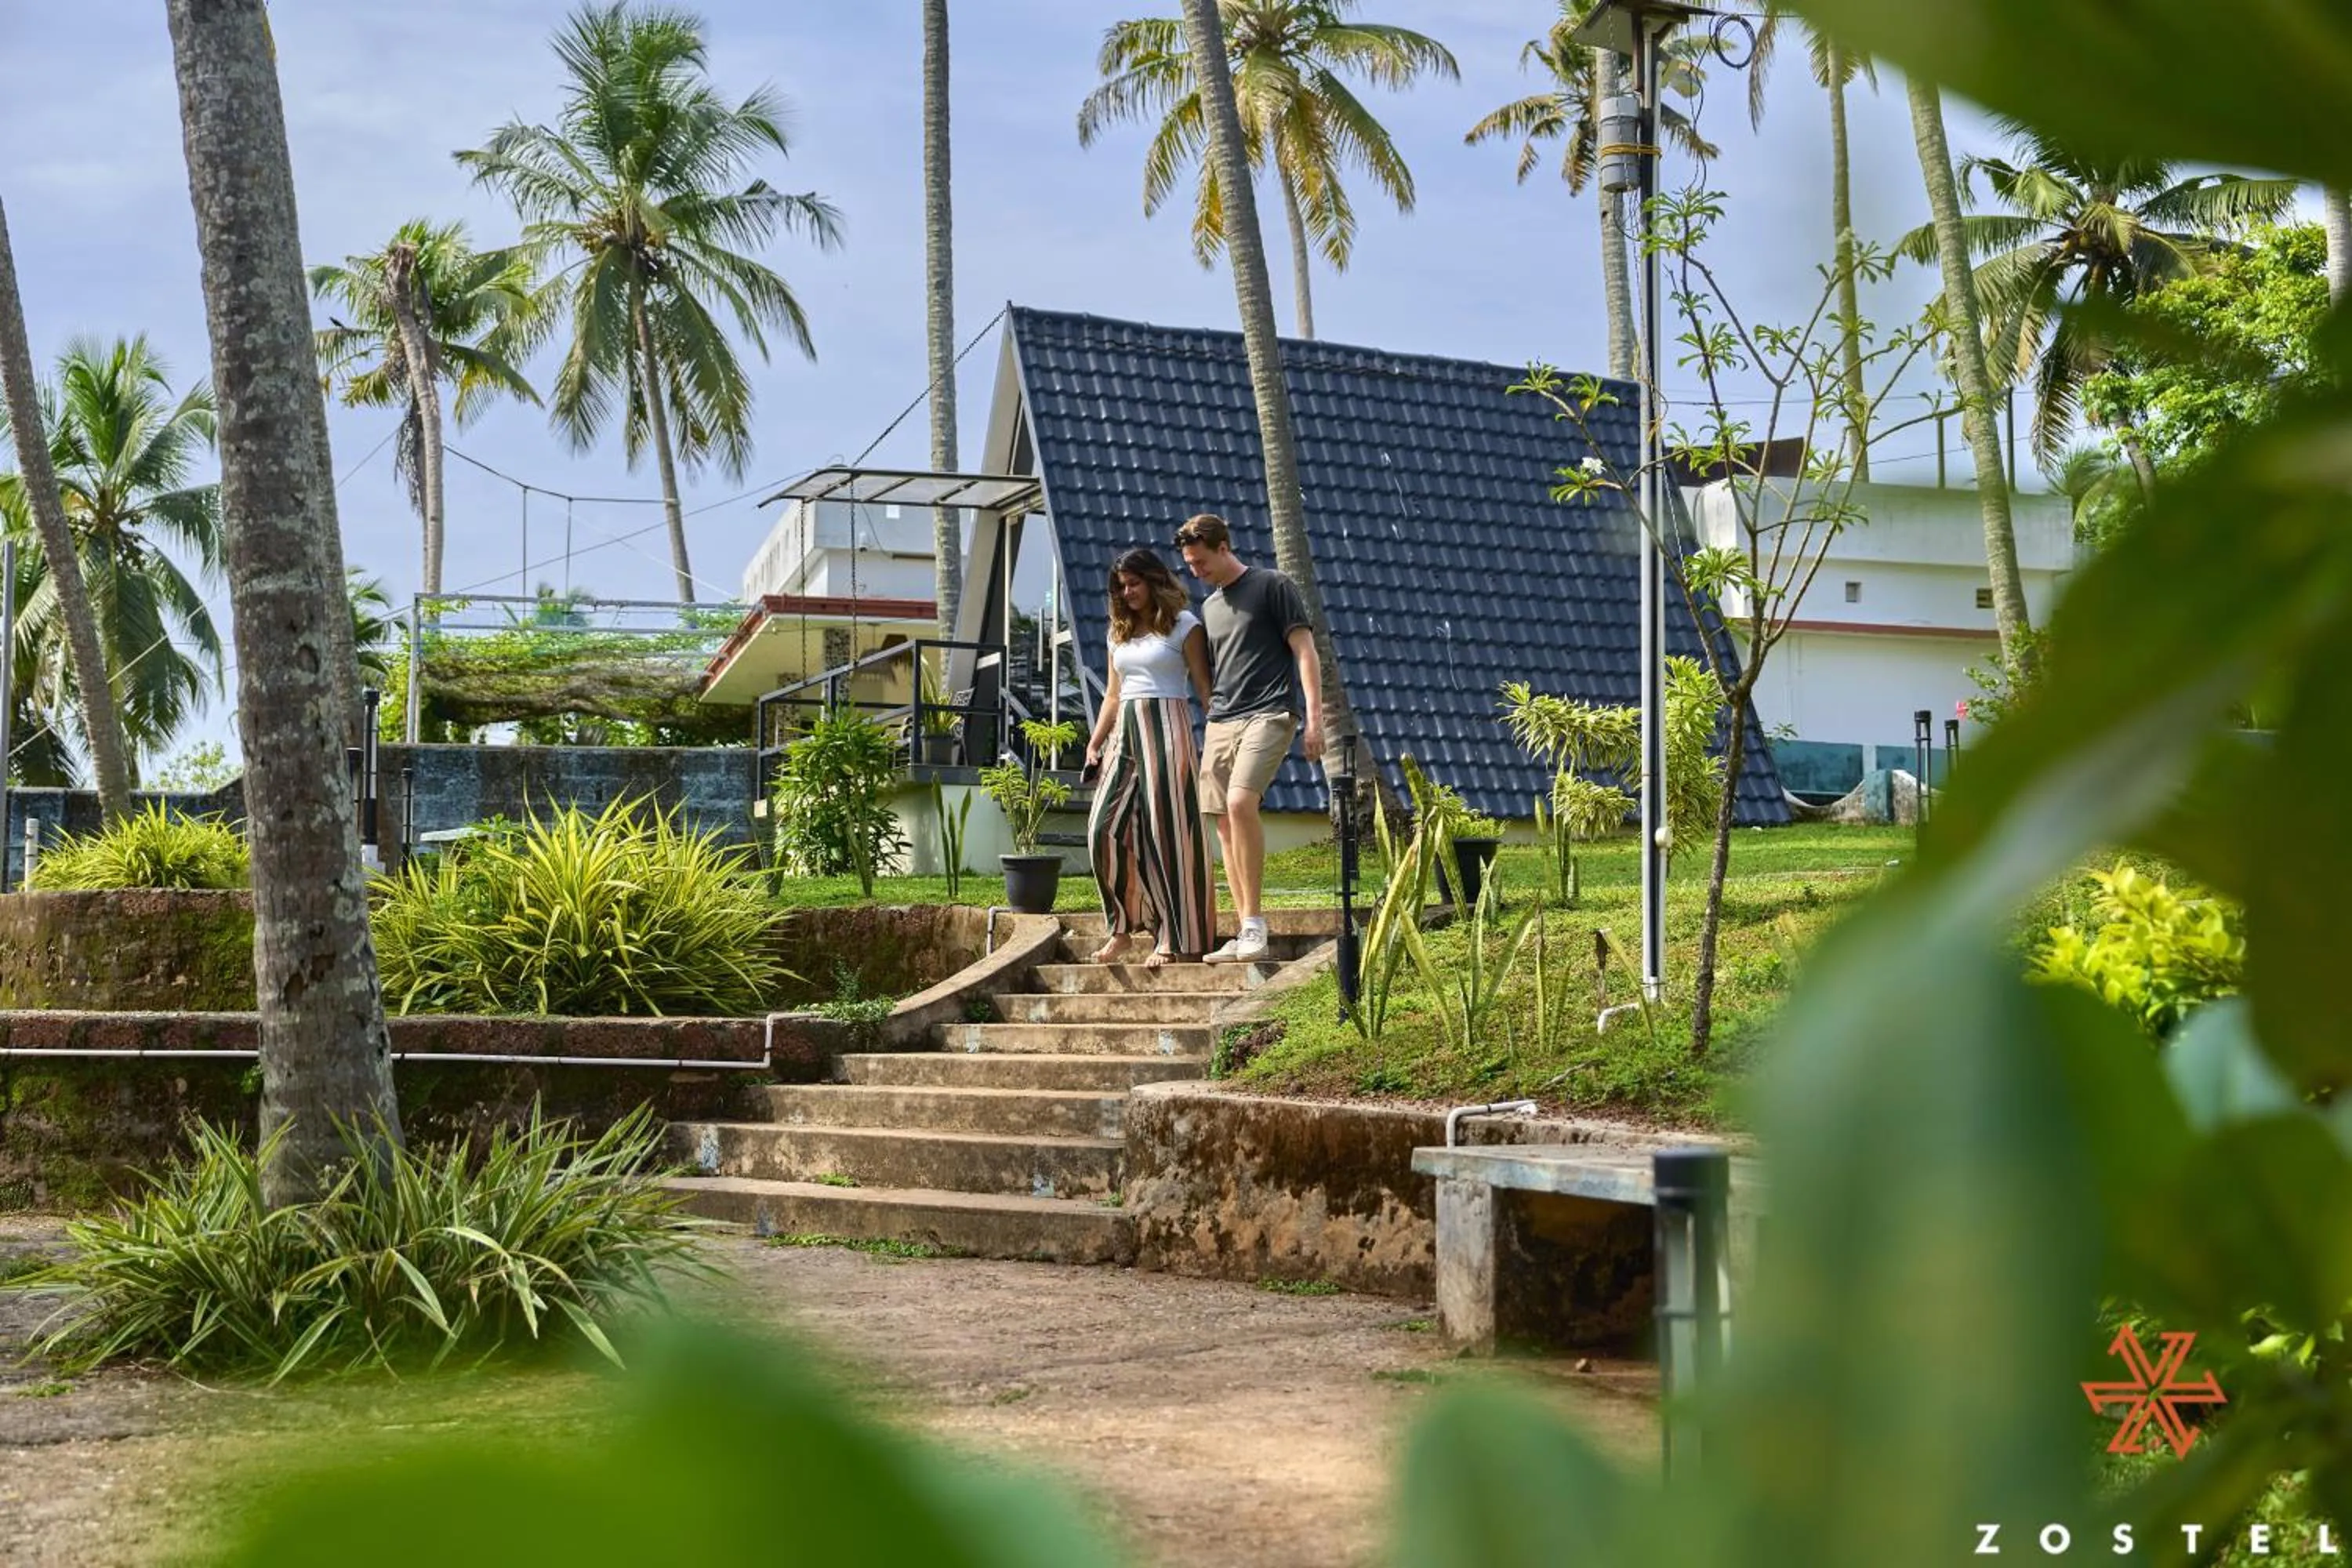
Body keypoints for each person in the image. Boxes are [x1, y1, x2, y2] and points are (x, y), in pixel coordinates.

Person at [1174, 514, 1323, 965]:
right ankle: (1244, 930)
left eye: (1201, 562)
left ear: (1223, 548)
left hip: (1271, 712)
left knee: (1241, 803)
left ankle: (1255, 923)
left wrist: (1314, 719)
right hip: (1223, 719)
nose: (1195, 571)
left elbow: (1305, 651)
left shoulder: (1272, 585)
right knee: (1221, 820)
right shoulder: (1209, 607)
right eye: (1189, 564)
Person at [1081, 548, 1218, 967]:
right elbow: (1112, 694)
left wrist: (1219, 739)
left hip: (1169, 729)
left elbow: (1204, 689)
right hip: (1124, 732)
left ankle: (1174, 938)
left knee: (1169, 836)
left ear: (1155, 580)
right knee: (1102, 829)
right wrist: (1094, 743)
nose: (1127, 593)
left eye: (1134, 583)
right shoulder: (1118, 632)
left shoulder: (1185, 626)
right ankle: (1122, 928)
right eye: (1121, 587)